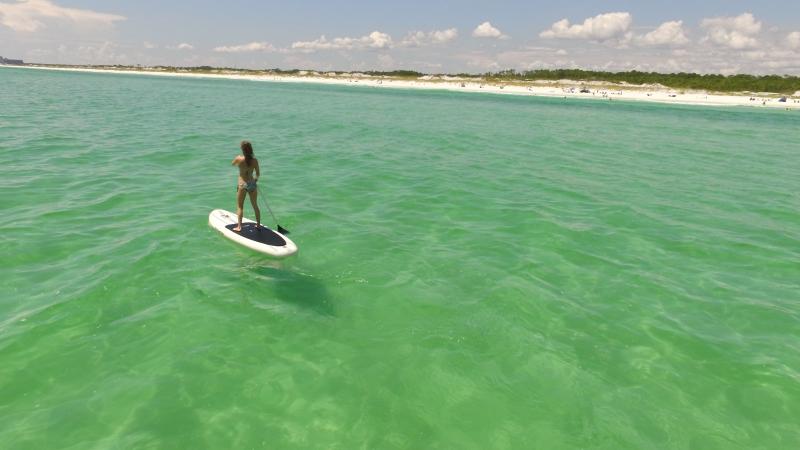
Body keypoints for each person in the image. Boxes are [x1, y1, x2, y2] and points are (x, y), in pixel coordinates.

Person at [231, 140, 261, 232]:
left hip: (242, 184)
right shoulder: (255, 160)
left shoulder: (239, 159)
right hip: (252, 184)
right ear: (251, 149)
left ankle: (239, 227)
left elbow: (232, 164)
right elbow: (258, 174)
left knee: (240, 206)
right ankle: (258, 225)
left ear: (242, 149)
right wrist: (255, 180)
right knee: (255, 205)